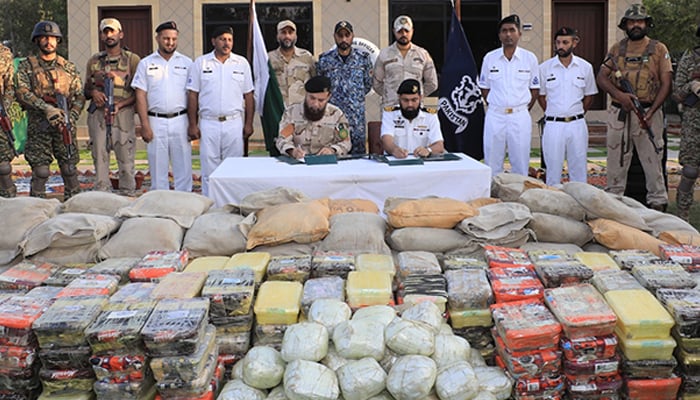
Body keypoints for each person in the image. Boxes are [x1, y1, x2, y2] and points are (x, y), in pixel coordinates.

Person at [596, 3, 672, 211]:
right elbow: (602, 77)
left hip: (648, 113)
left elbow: (666, 84)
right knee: (616, 163)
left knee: (653, 164)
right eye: (632, 22)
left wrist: (652, 111)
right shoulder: (616, 49)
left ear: (646, 24)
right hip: (620, 113)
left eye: (640, 21)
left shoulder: (658, 49)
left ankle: (658, 210)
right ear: (626, 25)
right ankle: (614, 210)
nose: (636, 25)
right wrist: (620, 95)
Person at [15, 21, 85, 199]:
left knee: (69, 170)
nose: (48, 41)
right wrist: (46, 108)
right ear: (37, 40)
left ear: (58, 41)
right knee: (41, 171)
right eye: (44, 37)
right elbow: (22, 92)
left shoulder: (67, 67)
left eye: (52, 37)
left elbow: (79, 95)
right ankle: (35, 211)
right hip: (39, 127)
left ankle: (73, 210)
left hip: (65, 126)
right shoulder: (27, 67)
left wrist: (72, 116)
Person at [187, 25, 254, 196]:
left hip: (234, 123)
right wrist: (193, 124)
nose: (227, 43)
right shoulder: (201, 63)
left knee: (234, 168)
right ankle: (210, 205)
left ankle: (232, 203)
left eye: (230, 40)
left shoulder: (242, 63)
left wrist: (248, 124)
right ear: (213, 41)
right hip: (209, 123)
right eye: (222, 39)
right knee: (209, 169)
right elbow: (193, 95)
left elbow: (249, 96)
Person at [132, 21, 193, 192]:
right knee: (158, 168)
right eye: (166, 38)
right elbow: (140, 95)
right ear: (157, 38)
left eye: (174, 39)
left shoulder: (187, 63)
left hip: (181, 120)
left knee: (183, 167)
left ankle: (184, 205)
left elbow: (192, 95)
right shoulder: (146, 63)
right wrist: (144, 125)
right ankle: (160, 208)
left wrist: (194, 123)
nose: (170, 42)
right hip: (155, 121)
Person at [84, 18, 140, 194]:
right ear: (101, 35)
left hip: (122, 114)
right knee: (100, 158)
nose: (109, 35)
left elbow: (138, 92)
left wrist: (120, 104)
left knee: (125, 159)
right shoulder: (94, 60)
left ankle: (128, 193)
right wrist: (94, 93)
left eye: (113, 31)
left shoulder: (132, 60)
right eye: (105, 32)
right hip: (98, 116)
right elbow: (85, 88)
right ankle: (102, 195)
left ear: (120, 34)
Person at [479, 14, 540, 176]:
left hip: (519, 116)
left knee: (520, 162)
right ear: (499, 35)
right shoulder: (490, 58)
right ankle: (492, 196)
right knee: (492, 161)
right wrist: (497, 105)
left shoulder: (529, 58)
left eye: (512, 30)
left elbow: (534, 89)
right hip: (495, 115)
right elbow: (484, 87)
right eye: (504, 31)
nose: (508, 34)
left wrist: (521, 108)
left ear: (519, 33)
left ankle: (519, 197)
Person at [537, 27, 598, 188]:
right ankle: (553, 206)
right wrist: (554, 112)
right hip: (553, 124)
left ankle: (580, 206)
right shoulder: (544, 68)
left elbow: (589, 95)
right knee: (552, 170)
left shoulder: (585, 67)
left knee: (578, 169)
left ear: (574, 43)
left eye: (565, 42)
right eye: (558, 42)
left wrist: (576, 113)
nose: (561, 46)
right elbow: (541, 96)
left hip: (576, 124)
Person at [317, 21, 373, 155]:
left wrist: (353, 100)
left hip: (356, 120)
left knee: (358, 158)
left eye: (347, 35)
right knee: (332, 155)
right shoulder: (324, 60)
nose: (343, 39)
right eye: (340, 35)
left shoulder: (363, 59)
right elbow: (321, 88)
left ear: (352, 36)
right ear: (334, 36)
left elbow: (367, 85)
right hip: (332, 119)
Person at [276, 75, 351, 158]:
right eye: (312, 98)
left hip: (326, 163)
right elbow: (282, 139)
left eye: (321, 100)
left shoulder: (336, 115)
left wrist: (332, 150)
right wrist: (292, 151)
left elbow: (346, 142)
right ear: (306, 94)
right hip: (298, 163)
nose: (315, 104)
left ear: (328, 97)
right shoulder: (291, 112)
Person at [373, 15, 438, 108]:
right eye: (399, 31)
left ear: (412, 31)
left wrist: (417, 96)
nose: (403, 34)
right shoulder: (384, 54)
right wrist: (389, 94)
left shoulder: (423, 54)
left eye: (407, 31)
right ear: (394, 31)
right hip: (391, 107)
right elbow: (376, 82)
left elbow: (432, 83)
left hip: (414, 109)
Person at [672, 25, 700, 220]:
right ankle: (683, 216)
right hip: (694, 123)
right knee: (690, 171)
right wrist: (691, 86)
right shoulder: (690, 58)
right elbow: (676, 94)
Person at [380, 79, 444, 159]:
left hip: (422, 163)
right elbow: (386, 140)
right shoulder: (390, 113)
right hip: (395, 161)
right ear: (399, 98)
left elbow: (439, 145)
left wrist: (428, 150)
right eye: (405, 100)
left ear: (420, 98)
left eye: (414, 100)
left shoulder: (430, 116)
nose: (410, 104)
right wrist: (394, 150)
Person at [268, 20, 316, 107]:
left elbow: (315, 82)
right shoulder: (269, 59)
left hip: (302, 111)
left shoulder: (307, 57)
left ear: (296, 36)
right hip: (278, 111)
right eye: (283, 33)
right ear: (278, 36)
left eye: (290, 32)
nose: (287, 36)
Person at [0, 42, 15, 197]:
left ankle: (8, 202)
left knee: (3, 167)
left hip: (0, 113)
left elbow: (9, 86)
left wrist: (5, 106)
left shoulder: (4, 53)